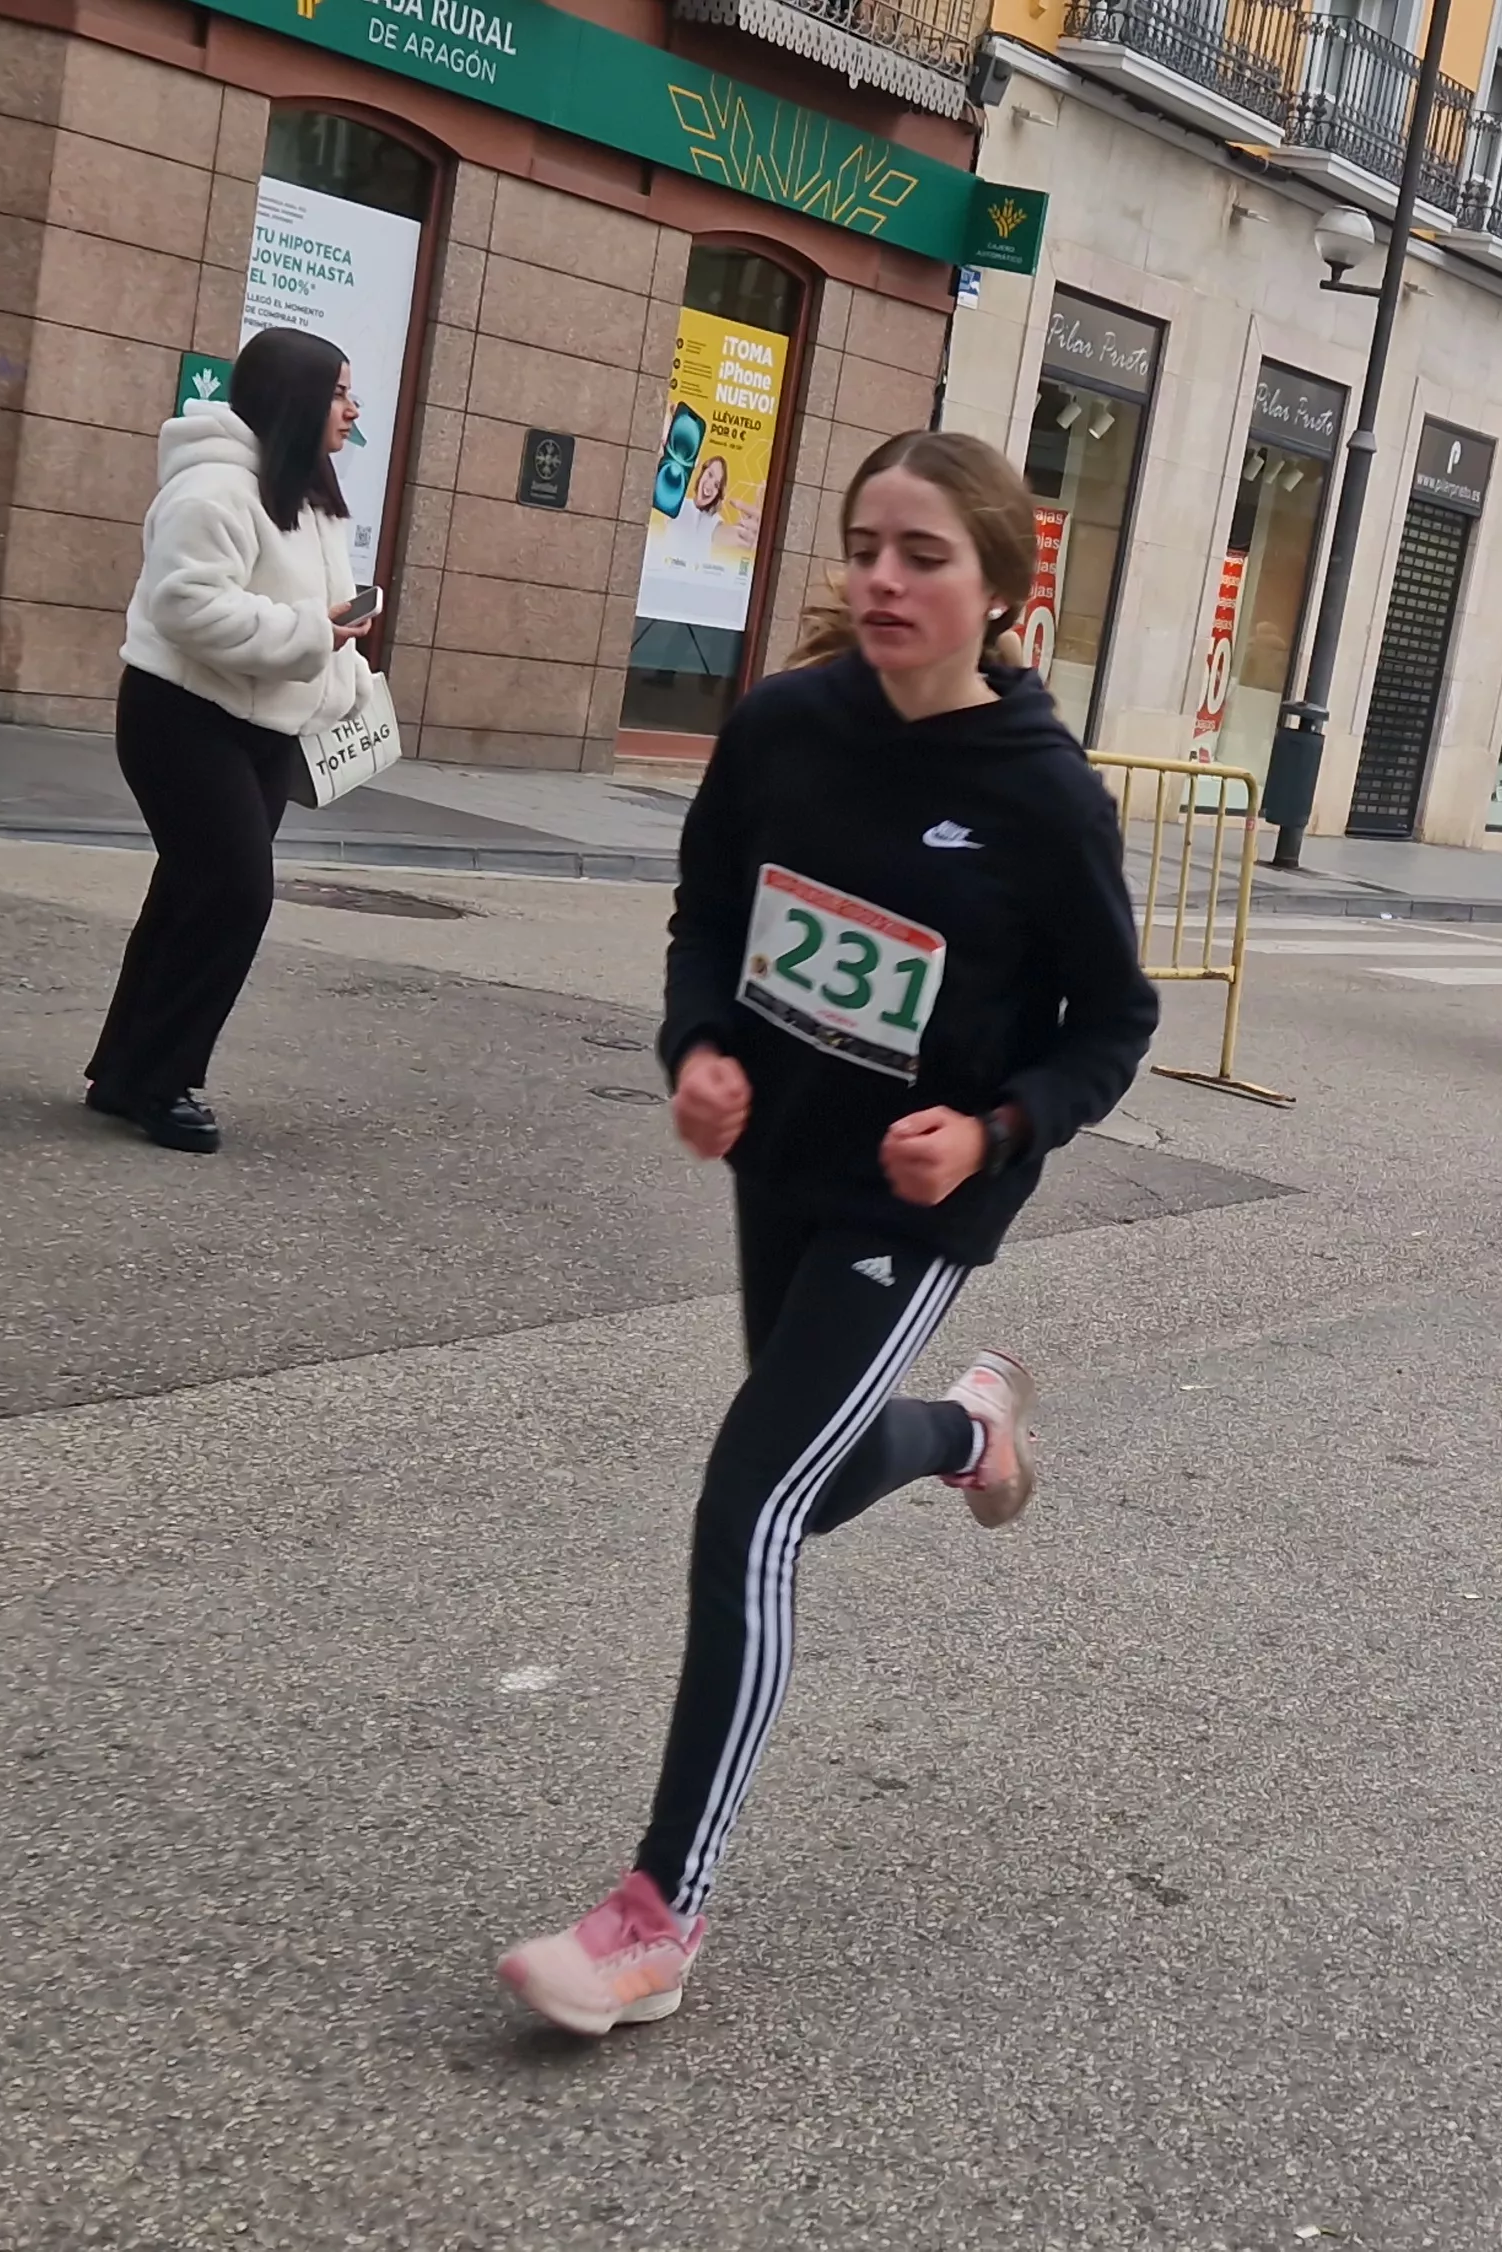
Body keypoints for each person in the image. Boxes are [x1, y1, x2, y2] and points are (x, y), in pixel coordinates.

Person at [497, 431, 1161, 2037]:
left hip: (911, 1203)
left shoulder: (1042, 797)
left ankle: (660, 1911)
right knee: (808, 1466)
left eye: (924, 554)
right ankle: (963, 1434)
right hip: (777, 1165)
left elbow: (1112, 1021)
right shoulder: (785, 727)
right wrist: (697, 1047)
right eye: (866, 544)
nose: (882, 577)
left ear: (1001, 590)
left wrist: (997, 1128)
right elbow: (709, 915)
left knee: (748, 1503)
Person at [85, 326, 377, 1154]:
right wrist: (310, 633)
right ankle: (164, 1080)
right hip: (180, 716)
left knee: (189, 892)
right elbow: (185, 605)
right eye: (339, 392)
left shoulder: (310, 491)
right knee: (235, 895)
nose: (352, 410)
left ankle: (124, 1071)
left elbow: (317, 613)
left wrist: (340, 669)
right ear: (296, 397)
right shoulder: (213, 487)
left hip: (263, 727)